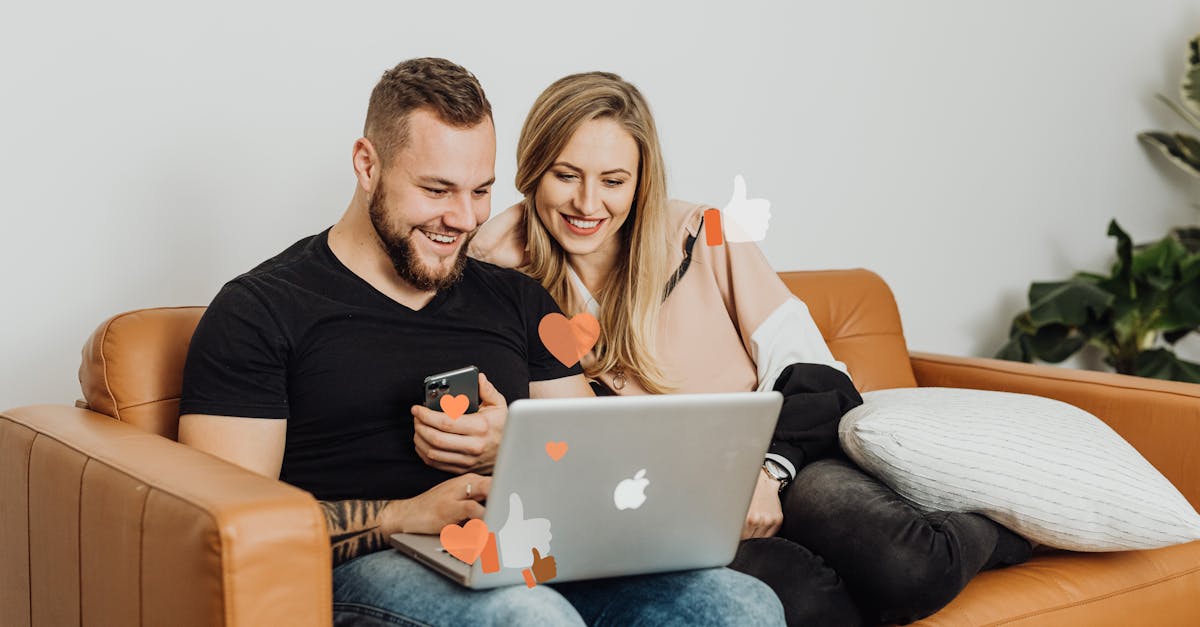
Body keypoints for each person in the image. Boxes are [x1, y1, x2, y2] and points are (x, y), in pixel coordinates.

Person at [178, 58, 784, 627]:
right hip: (362, 568)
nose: (465, 219)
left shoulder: (518, 299)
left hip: (518, 550)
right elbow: (224, 525)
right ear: (367, 165)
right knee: (529, 618)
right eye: (437, 190)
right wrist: (401, 516)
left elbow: (599, 465)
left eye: (480, 190)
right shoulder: (259, 311)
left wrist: (512, 445)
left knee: (740, 604)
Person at [466, 71, 1033, 625]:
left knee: (910, 567)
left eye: (614, 181)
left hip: (783, 461)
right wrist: (484, 246)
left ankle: (1005, 530)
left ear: (641, 182)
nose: (589, 203)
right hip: (665, 512)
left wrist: (768, 473)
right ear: (533, 172)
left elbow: (813, 373)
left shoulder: (704, 233)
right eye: (566, 175)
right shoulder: (503, 278)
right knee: (806, 602)